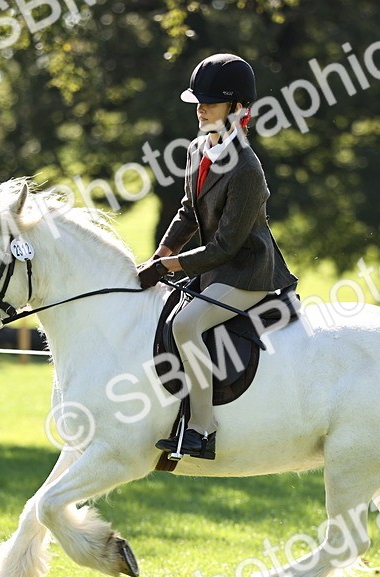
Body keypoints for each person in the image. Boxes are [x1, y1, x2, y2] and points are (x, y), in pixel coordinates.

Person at [136, 53, 298, 461]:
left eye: (210, 102)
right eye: (198, 101)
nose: (200, 108)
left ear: (239, 108)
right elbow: (189, 211)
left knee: (186, 324)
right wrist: (161, 252)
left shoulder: (247, 168)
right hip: (212, 270)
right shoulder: (196, 149)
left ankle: (203, 429)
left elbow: (226, 247)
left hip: (247, 273)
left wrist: (168, 267)